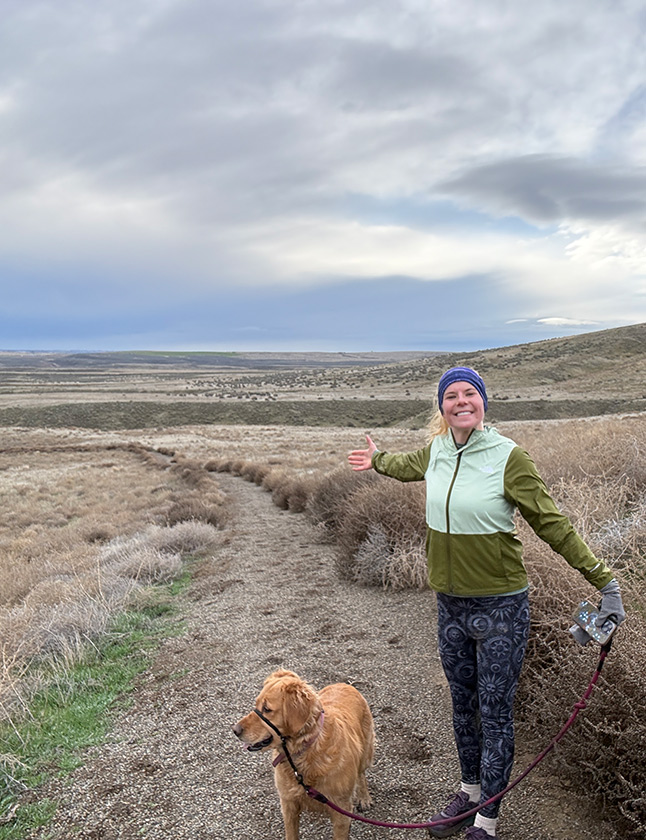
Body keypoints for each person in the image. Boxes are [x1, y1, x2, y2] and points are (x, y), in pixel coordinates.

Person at [347, 366, 625, 840]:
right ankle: (469, 793)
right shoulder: (436, 450)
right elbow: (408, 465)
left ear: (483, 402)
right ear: (441, 406)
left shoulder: (509, 457)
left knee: (495, 712)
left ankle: (487, 822)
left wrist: (604, 581)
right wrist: (378, 460)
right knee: (462, 707)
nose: (461, 401)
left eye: (469, 394)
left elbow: (553, 523)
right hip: (450, 606)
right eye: (451, 395)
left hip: (500, 609)